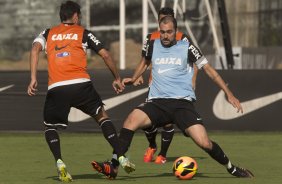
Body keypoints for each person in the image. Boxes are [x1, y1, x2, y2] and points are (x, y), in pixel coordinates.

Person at [94, 16, 254, 178]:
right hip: (157, 103)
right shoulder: (152, 45)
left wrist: (229, 94)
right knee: (130, 121)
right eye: (162, 32)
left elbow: (209, 70)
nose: (165, 36)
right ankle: (113, 167)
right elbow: (145, 62)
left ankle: (231, 168)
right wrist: (134, 78)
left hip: (181, 104)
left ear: (176, 32)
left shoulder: (187, 47)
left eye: (169, 32)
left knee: (204, 142)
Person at [27, 1, 133, 182]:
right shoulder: (83, 32)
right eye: (79, 15)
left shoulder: (48, 33)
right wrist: (116, 78)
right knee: (102, 117)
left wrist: (33, 78)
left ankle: (60, 163)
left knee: (50, 127)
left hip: (57, 87)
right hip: (81, 85)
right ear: (75, 15)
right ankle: (121, 156)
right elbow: (105, 54)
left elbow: (35, 48)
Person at [136, 7, 199, 164]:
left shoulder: (182, 38)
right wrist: (136, 76)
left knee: (168, 122)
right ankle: (152, 145)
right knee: (147, 122)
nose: (165, 25)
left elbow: (194, 61)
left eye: (168, 19)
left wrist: (193, 79)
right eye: (162, 20)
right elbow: (145, 61)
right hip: (155, 85)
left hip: (175, 87)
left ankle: (162, 155)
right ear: (158, 22)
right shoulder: (150, 38)